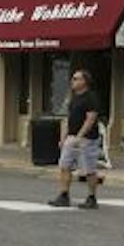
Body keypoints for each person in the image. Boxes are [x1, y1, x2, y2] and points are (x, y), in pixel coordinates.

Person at [50, 69, 103, 209]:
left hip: (87, 139)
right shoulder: (73, 98)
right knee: (64, 166)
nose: (72, 81)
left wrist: (80, 137)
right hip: (71, 138)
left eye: (76, 79)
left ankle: (92, 197)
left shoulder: (91, 97)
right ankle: (64, 195)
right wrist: (64, 137)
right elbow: (69, 119)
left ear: (84, 81)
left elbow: (90, 119)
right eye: (73, 78)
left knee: (89, 169)